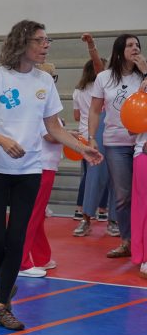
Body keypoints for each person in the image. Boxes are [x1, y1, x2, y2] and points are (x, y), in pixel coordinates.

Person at [0, 20, 102, 331]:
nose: (46, 45)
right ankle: (6, 285)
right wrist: (1, 139)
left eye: (47, 40)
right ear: (22, 43)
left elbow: (54, 128)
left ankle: (1, 304)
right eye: (40, 40)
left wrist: (83, 148)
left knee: (17, 240)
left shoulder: (44, 82)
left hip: (29, 172)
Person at [87, 34, 147, 259]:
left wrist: (146, 69)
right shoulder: (104, 77)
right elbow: (94, 110)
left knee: (144, 195)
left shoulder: (144, 74)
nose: (135, 48)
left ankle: (143, 242)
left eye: (138, 45)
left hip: (143, 142)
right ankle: (127, 241)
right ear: (119, 49)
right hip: (116, 143)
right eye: (130, 45)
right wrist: (92, 136)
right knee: (123, 196)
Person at [17, 63, 65, 277]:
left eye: (55, 77)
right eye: (52, 76)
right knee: (32, 215)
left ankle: (42, 256)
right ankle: (21, 262)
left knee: (36, 215)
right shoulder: (41, 100)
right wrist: (73, 139)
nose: (54, 81)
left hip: (45, 164)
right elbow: (50, 134)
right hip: (41, 164)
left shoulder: (44, 100)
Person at [72, 55, 112, 237]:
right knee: (93, 176)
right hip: (96, 133)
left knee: (118, 179)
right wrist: (91, 47)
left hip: (123, 133)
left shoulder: (135, 79)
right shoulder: (103, 80)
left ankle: (114, 219)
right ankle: (86, 217)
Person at [133, 75, 147, 279]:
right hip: (143, 153)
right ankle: (144, 256)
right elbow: (131, 126)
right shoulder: (142, 91)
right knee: (143, 206)